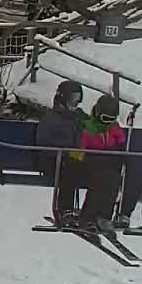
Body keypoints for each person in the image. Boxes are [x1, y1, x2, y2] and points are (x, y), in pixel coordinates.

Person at [74, 94, 128, 231]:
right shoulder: (88, 128)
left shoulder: (114, 129)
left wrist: (121, 144)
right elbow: (77, 152)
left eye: (111, 120)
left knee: (114, 179)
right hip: (88, 165)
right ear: (97, 113)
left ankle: (104, 216)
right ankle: (87, 217)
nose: (107, 123)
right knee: (100, 179)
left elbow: (122, 146)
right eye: (105, 119)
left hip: (107, 167)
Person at [40, 80, 86, 227]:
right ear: (63, 98)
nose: (76, 104)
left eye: (78, 99)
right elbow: (43, 143)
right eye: (73, 99)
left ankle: (95, 212)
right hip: (54, 161)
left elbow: (95, 128)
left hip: (75, 161)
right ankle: (65, 210)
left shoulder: (80, 116)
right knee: (70, 165)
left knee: (102, 168)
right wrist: (66, 152)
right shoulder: (51, 118)